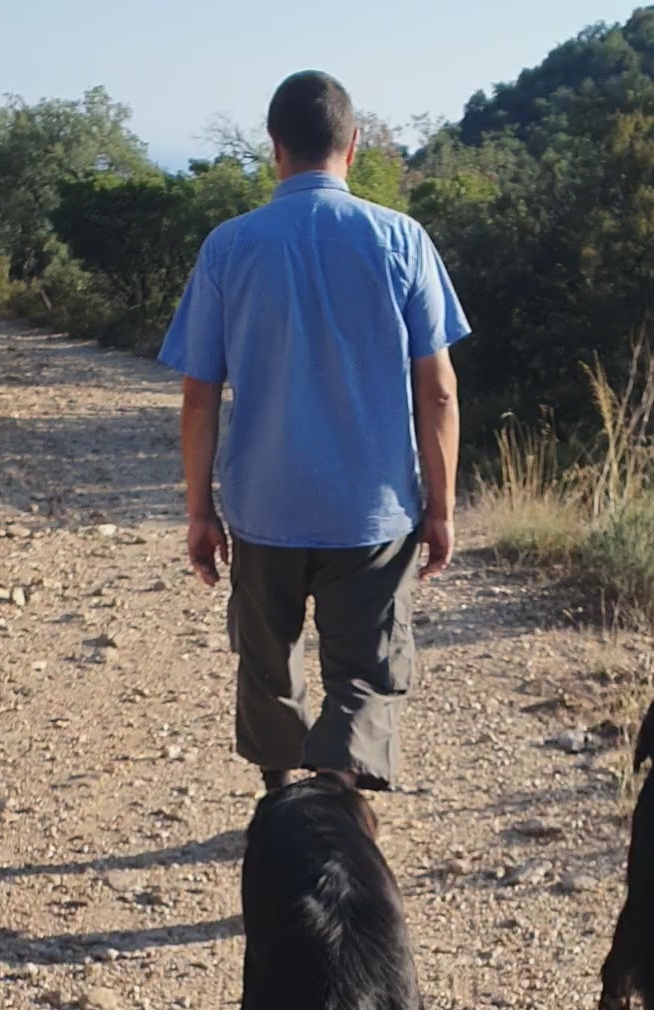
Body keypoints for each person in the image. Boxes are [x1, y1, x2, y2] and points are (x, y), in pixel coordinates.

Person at [159, 70, 470, 792]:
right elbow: (441, 392)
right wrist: (443, 508)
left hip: (264, 509)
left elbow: (198, 396)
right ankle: (336, 811)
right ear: (353, 146)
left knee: (267, 666)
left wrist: (200, 510)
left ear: (275, 149)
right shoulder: (402, 240)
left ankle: (283, 810)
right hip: (374, 513)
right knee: (364, 672)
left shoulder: (229, 247)